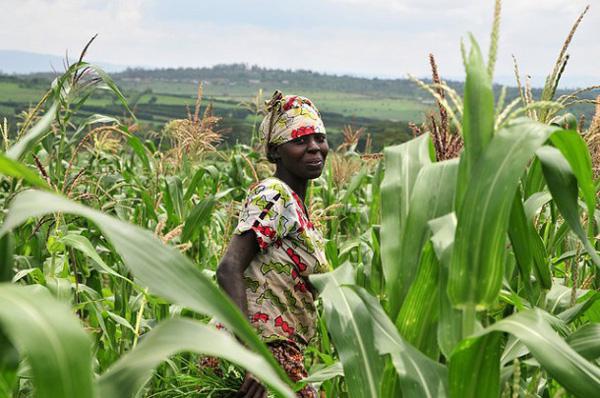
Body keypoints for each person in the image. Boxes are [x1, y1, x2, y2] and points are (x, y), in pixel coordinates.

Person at [216, 91, 330, 398]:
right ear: (276, 152)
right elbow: (228, 268)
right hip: (262, 355)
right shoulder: (274, 194)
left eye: (319, 137)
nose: (314, 148)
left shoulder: (295, 205)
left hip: (277, 353)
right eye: (300, 140)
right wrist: (253, 356)